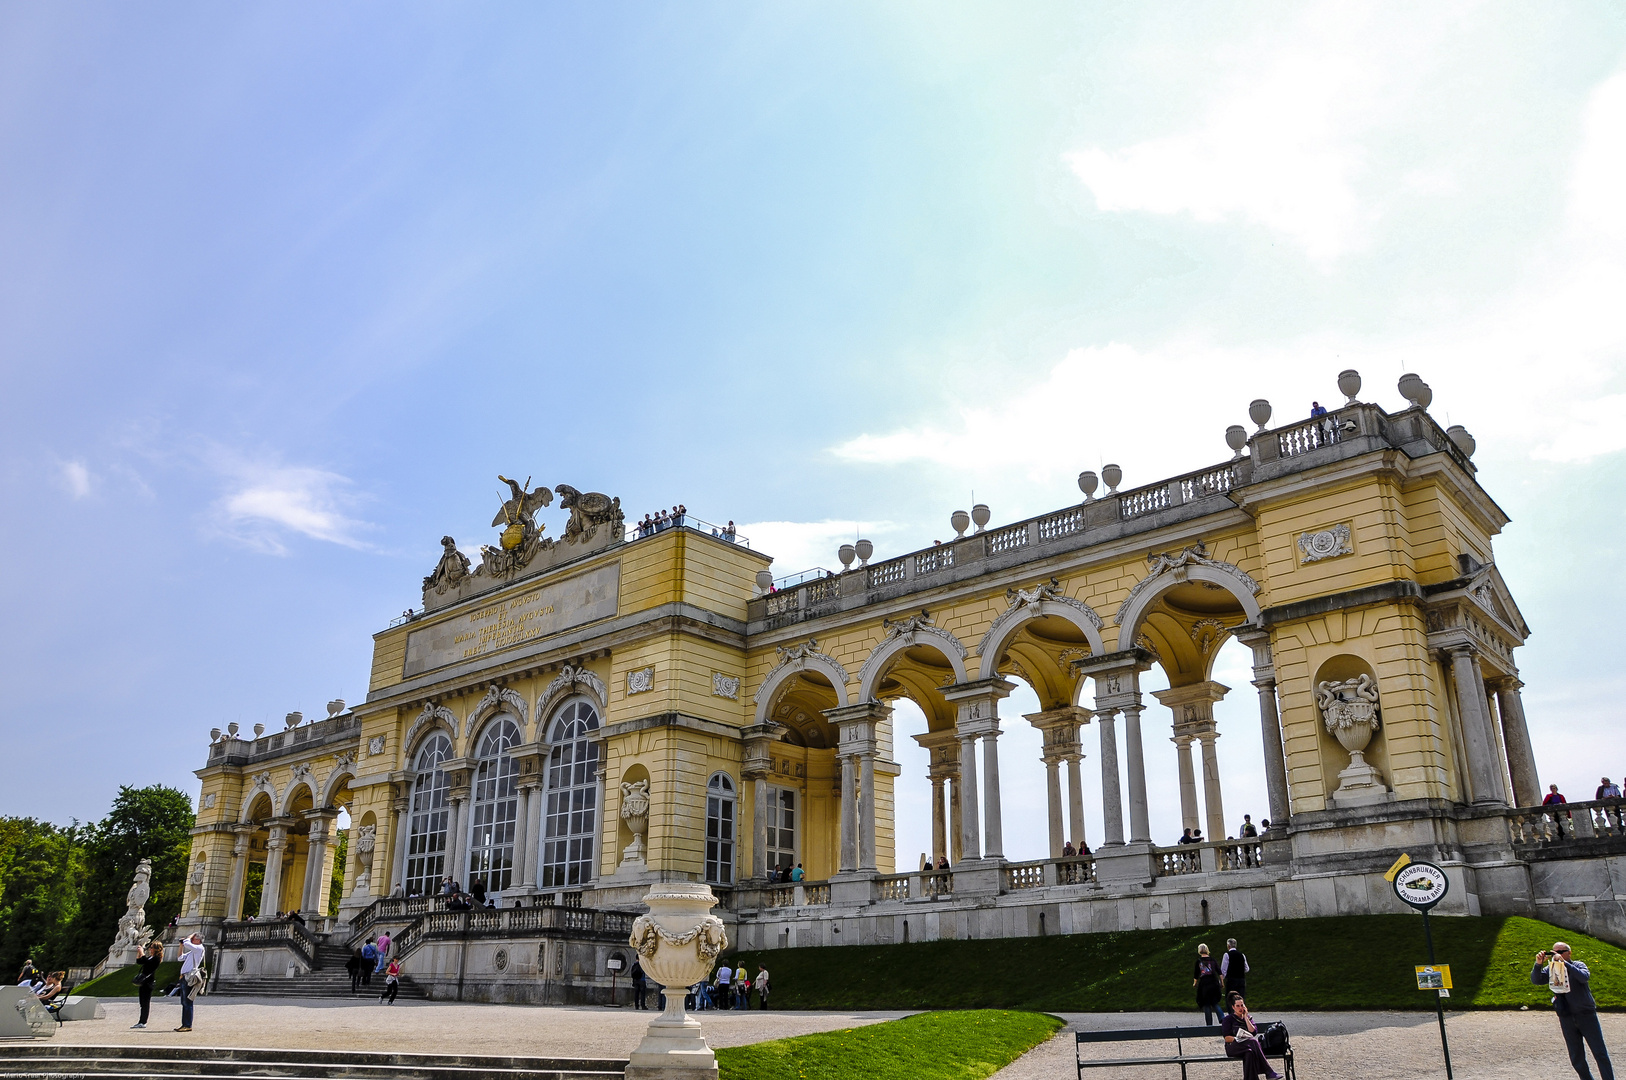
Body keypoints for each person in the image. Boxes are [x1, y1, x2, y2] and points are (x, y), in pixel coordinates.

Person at [1533, 942, 1615, 1080]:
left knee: (1599, 1053)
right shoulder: (1551, 969)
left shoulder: (1578, 965)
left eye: (1560, 951)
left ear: (1569, 953)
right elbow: (1536, 980)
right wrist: (1538, 964)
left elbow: (1584, 977)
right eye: (1553, 953)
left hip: (1586, 1015)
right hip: (1566, 1016)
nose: (1556, 955)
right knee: (1576, 1057)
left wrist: (1565, 963)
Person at [1221, 993, 1282, 1080]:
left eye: (1242, 1005)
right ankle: (1268, 1071)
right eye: (1237, 1006)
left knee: (1249, 1053)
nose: (1240, 1008)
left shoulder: (1248, 1018)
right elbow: (1227, 1038)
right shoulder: (1228, 1019)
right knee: (1253, 1041)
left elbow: (1253, 1032)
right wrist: (1239, 1039)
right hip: (1233, 1047)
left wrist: (1246, 1018)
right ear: (1233, 1007)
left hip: (1248, 1047)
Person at [175, 932, 205, 1032]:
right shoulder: (193, 951)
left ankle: (187, 1024)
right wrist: (181, 946)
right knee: (184, 1002)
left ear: (198, 940)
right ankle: (184, 1024)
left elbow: (188, 943)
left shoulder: (199, 948)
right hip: (184, 977)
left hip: (190, 977)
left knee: (188, 1001)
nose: (192, 939)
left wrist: (189, 936)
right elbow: (180, 958)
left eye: (194, 938)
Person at [132, 941, 164, 1029]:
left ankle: (143, 1022)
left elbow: (147, 963)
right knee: (142, 1002)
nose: (150, 949)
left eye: (152, 947)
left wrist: (142, 952)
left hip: (148, 982)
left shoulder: (156, 958)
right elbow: (140, 961)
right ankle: (141, 1021)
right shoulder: (151, 957)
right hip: (144, 981)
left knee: (145, 1002)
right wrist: (139, 953)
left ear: (156, 949)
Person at [1193, 944, 1223, 1026]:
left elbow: (1196, 975)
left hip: (1204, 984)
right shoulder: (1213, 960)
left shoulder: (1198, 961)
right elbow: (1219, 972)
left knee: (1206, 1004)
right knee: (1215, 1002)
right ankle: (1222, 1017)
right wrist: (1222, 982)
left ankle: (1209, 1025)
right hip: (1214, 983)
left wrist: (1195, 983)